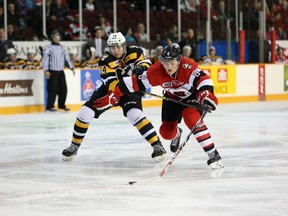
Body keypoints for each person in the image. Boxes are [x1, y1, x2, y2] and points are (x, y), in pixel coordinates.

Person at [94, 43, 224, 169]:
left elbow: (204, 80)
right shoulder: (156, 70)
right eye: (166, 63)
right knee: (166, 133)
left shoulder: (187, 66)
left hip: (191, 98)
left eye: (172, 62)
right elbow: (130, 83)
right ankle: (177, 134)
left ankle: (213, 153)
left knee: (191, 119)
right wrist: (114, 95)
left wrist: (206, 95)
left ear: (179, 61)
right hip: (171, 99)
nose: (169, 67)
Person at [62, 32, 167, 162]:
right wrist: (117, 94)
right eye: (112, 47)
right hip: (110, 90)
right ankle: (74, 145)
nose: (115, 50)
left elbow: (146, 65)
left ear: (124, 45)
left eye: (118, 46)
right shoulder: (104, 61)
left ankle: (157, 145)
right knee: (84, 112)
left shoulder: (135, 51)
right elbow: (112, 84)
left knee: (135, 114)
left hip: (130, 89)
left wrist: (141, 69)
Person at [42, 30, 75, 112]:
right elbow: (45, 60)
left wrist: (72, 68)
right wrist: (46, 70)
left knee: (64, 89)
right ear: (52, 38)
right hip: (52, 71)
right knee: (52, 89)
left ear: (60, 38)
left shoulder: (62, 47)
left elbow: (67, 59)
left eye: (57, 37)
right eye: (54, 37)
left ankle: (61, 105)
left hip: (61, 71)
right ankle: (50, 106)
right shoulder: (48, 48)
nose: (56, 38)